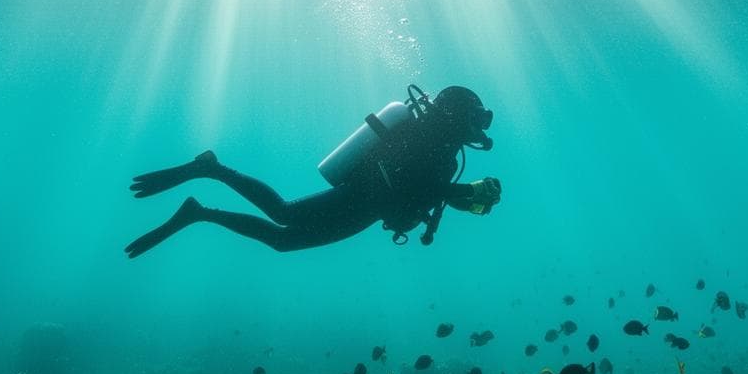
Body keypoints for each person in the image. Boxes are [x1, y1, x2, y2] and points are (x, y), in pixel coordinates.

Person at [125, 85, 502, 258]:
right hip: (360, 197)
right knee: (284, 213)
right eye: (477, 117)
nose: (480, 127)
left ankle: (199, 212)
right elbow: (417, 183)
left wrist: (467, 199)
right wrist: (466, 193)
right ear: (455, 114)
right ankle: (211, 168)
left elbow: (426, 192)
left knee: (283, 241)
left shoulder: (445, 151)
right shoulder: (427, 137)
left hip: (369, 211)